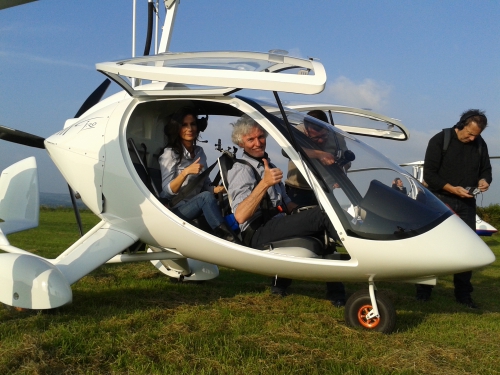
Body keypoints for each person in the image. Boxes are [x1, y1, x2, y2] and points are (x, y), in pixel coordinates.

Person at [226, 115, 340, 298]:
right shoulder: (241, 170)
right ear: (241, 143)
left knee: (322, 219)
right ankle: (365, 256)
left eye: (260, 137)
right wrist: (264, 184)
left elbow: (286, 202)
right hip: (257, 231)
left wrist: (302, 212)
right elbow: (240, 216)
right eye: (251, 139)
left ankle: (335, 294)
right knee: (322, 216)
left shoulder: (268, 165)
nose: (258, 143)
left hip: (276, 223)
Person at [416, 109, 492, 308]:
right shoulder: (440, 140)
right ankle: (423, 291)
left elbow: (486, 170)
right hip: (439, 199)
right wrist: (452, 189)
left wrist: (484, 180)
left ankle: (463, 295)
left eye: (477, 135)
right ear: (462, 124)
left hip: (467, 203)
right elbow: (430, 175)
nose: (473, 137)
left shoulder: (480, 144)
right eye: (470, 133)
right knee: (432, 246)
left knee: (466, 247)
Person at [283, 110, 346, 306]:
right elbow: (288, 151)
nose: (319, 139)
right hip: (296, 189)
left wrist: (338, 174)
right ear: (307, 130)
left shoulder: (337, 137)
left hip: (324, 190)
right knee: (290, 236)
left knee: (329, 238)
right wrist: (319, 154)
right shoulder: (297, 131)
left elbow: (345, 160)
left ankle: (335, 290)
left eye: (323, 136)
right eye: (315, 136)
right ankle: (280, 283)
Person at [159, 109, 238, 243]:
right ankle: (228, 239)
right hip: (175, 209)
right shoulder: (169, 153)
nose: (189, 129)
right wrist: (185, 172)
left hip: (195, 204)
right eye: (184, 125)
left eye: (193, 124)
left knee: (225, 198)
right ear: (177, 128)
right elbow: (167, 190)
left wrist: (218, 189)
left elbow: (204, 186)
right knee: (205, 198)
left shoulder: (200, 152)